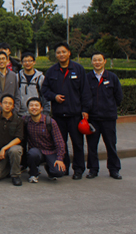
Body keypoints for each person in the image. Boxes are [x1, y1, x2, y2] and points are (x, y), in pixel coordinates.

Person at [41, 42, 92, 180]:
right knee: (60, 143)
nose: (61, 55)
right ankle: (64, 168)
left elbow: (85, 91)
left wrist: (85, 109)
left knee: (78, 143)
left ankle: (79, 169)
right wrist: (54, 97)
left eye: (63, 52)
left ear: (69, 53)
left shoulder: (78, 69)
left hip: (75, 114)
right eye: (58, 52)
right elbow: (44, 90)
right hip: (58, 115)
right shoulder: (52, 71)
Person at [86, 52, 123, 180]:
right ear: (91, 62)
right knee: (92, 146)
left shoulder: (112, 77)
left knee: (111, 144)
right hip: (93, 119)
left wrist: (109, 108)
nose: (97, 62)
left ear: (104, 61)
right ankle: (93, 169)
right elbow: (84, 97)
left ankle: (114, 169)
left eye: (99, 60)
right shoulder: (87, 78)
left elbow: (119, 97)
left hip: (108, 118)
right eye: (94, 60)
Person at [23, 98, 66, 183]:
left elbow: (59, 141)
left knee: (58, 172)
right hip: (36, 152)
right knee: (32, 153)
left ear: (41, 108)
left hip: (50, 152)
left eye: (36, 105)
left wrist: (60, 158)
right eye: (31, 106)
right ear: (28, 108)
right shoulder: (25, 120)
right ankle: (33, 173)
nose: (34, 108)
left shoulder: (50, 122)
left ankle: (49, 169)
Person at [0, 95, 24, 186]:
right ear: (1, 104)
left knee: (15, 150)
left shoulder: (18, 120)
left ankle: (15, 175)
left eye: (10, 103)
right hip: (0, 153)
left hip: (11, 150)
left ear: (13, 106)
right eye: (5, 103)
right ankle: (10, 168)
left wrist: (4, 148)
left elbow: (19, 138)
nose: (7, 105)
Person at [17, 52, 47, 117]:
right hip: (20, 114)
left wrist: (45, 112)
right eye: (25, 61)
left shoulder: (40, 78)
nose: (27, 63)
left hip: (36, 113)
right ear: (22, 63)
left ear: (34, 62)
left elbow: (45, 96)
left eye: (30, 61)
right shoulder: (17, 77)